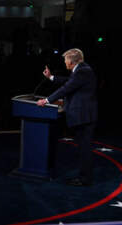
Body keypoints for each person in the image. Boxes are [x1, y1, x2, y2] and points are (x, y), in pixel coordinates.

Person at [37, 48, 98, 186]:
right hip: (85, 116)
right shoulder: (82, 70)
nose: (65, 63)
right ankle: (84, 177)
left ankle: (85, 179)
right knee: (83, 148)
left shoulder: (83, 71)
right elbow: (68, 81)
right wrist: (51, 77)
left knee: (84, 149)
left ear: (71, 61)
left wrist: (47, 100)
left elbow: (66, 88)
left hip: (84, 117)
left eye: (65, 60)